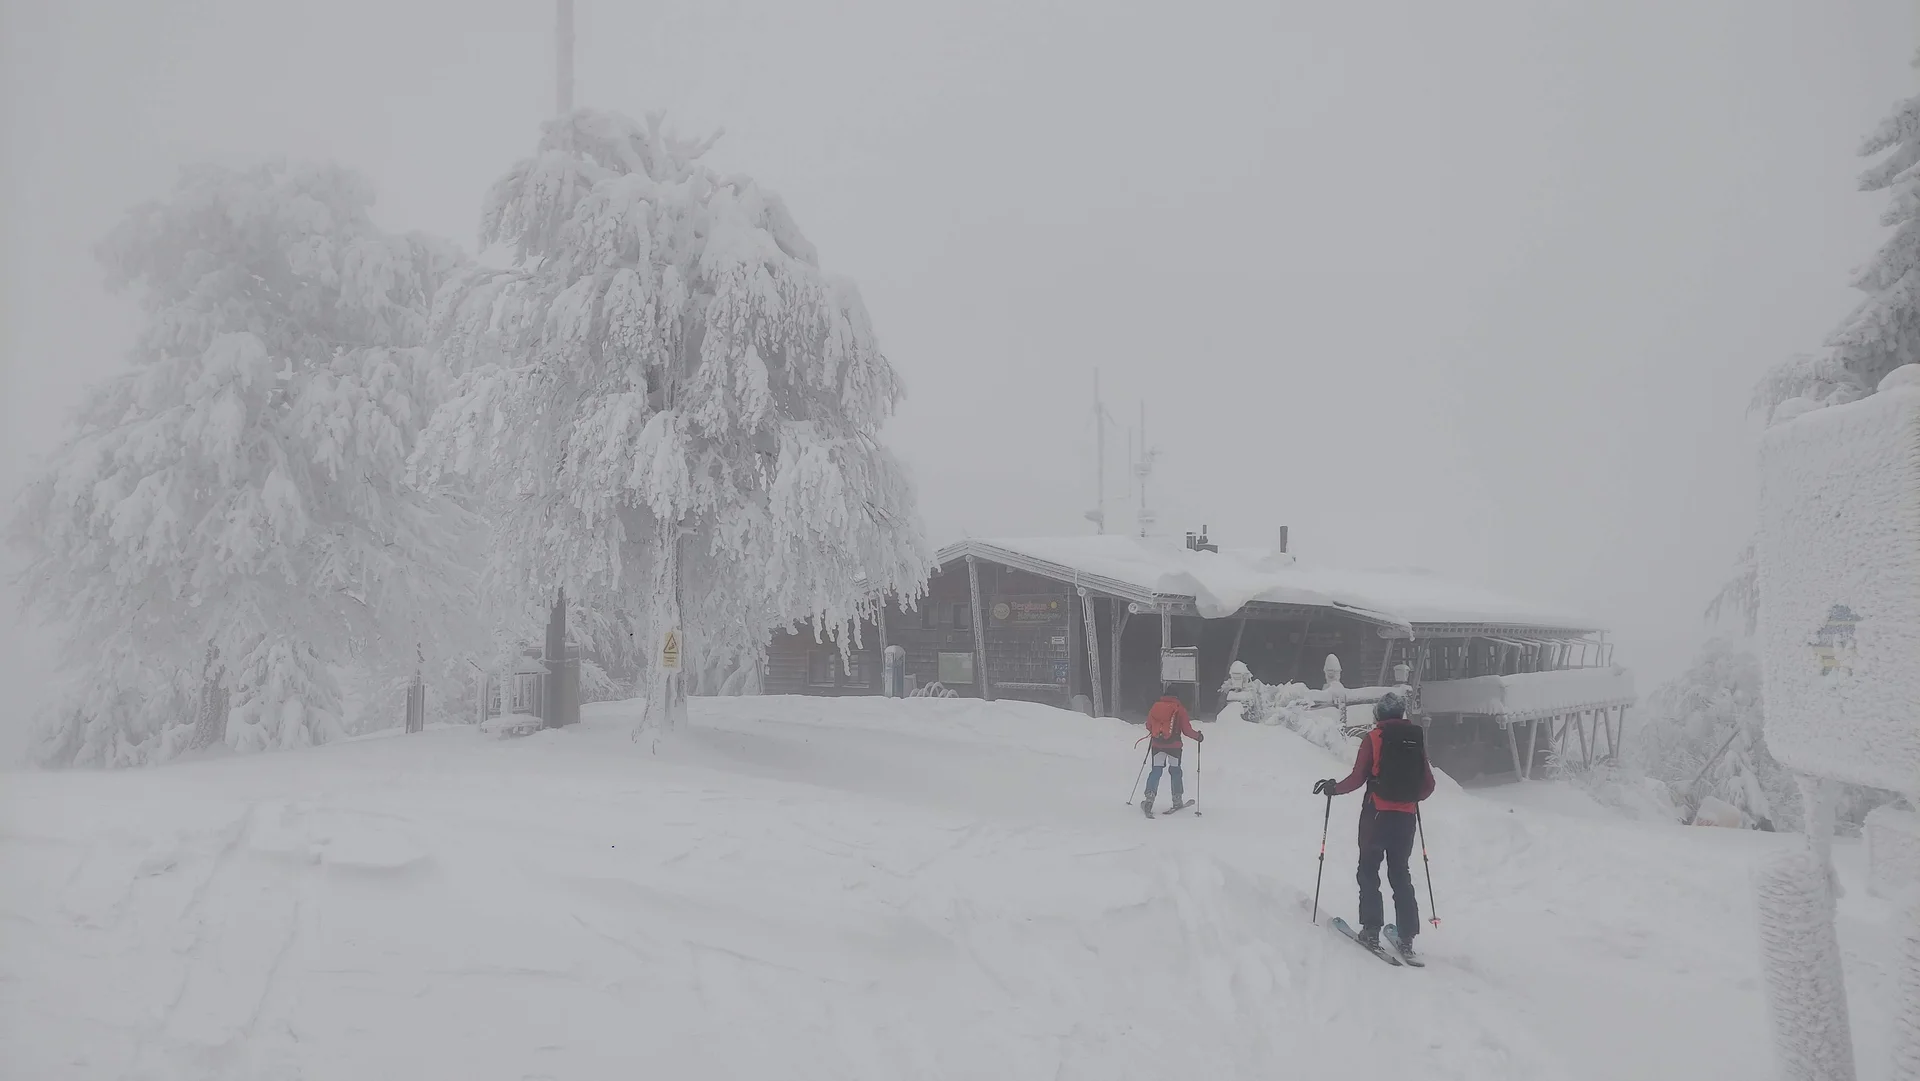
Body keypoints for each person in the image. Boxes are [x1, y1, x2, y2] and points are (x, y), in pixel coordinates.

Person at [1312, 691, 1434, 958]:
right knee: (1400, 873)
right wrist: (1408, 799)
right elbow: (1428, 785)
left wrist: (1334, 789)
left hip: (1376, 818)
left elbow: (1357, 778)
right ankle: (1407, 937)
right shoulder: (1415, 739)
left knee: (1368, 871)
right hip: (1405, 819)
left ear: (1378, 714)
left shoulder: (1374, 739)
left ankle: (1371, 929)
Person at [1142, 686, 1203, 814]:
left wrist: (1157, 733)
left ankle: (1149, 798)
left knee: (1156, 771)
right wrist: (1198, 736)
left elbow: (1148, 725)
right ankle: (1177, 799)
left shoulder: (1155, 707)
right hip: (1174, 747)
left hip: (1157, 745)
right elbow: (1186, 730)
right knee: (1175, 772)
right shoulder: (1179, 709)